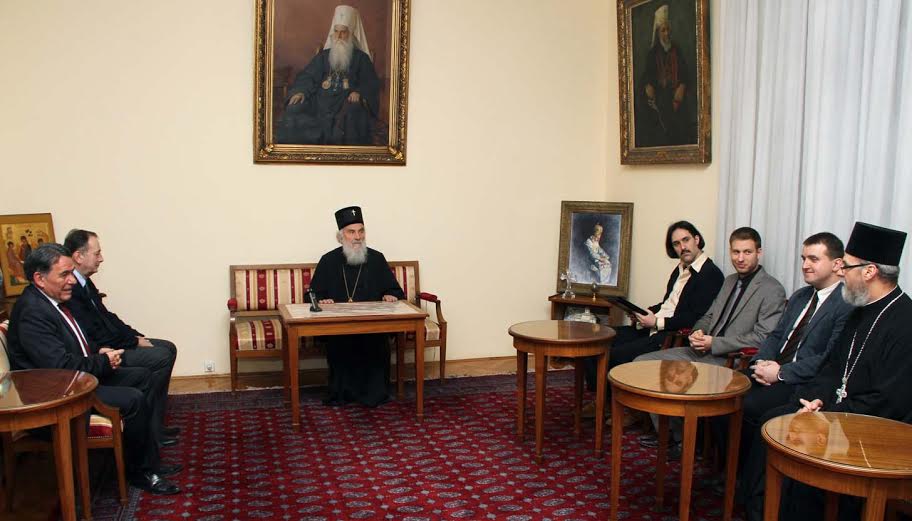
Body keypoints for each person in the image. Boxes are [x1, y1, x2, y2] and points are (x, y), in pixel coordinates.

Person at [749, 222, 912, 521]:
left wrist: (828, 415)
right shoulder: (858, 311)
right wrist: (817, 399)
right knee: (775, 424)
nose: (841, 273)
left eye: (846, 266)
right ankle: (760, 511)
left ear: (869, 271)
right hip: (834, 412)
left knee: (801, 460)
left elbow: (889, 401)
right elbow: (831, 367)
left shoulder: (905, 322)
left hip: (873, 432)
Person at [5, 244, 180, 494]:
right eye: (64, 274)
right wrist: (103, 362)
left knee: (143, 376)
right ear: (40, 279)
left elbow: (75, 344)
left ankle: (147, 460)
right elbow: (60, 367)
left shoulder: (50, 301)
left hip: (76, 380)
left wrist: (99, 351)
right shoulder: (33, 312)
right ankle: (141, 473)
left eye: (71, 273)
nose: (71, 280)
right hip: (59, 395)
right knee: (133, 398)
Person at [733, 233, 852, 519]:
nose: (805, 265)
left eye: (813, 259)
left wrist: (781, 373)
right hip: (771, 370)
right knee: (727, 396)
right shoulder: (800, 296)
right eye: (803, 258)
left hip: (801, 381)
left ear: (837, 264)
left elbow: (828, 358)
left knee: (750, 407)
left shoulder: (846, 303)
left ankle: (751, 490)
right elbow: (776, 336)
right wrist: (761, 363)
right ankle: (734, 476)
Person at [635, 227, 785, 450]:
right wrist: (698, 331)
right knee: (642, 365)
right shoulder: (729, 281)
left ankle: (684, 443)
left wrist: (715, 343)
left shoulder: (772, 289)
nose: (740, 258)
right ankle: (675, 435)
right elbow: (708, 316)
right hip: (701, 349)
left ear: (759, 252)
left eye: (747, 252)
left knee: (671, 376)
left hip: (730, 359)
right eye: (735, 252)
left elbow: (761, 338)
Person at [581, 221, 723, 418]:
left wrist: (656, 322)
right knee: (597, 340)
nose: (682, 247)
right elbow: (669, 304)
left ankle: (627, 408)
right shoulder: (680, 269)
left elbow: (696, 317)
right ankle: (602, 400)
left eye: (686, 240)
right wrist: (644, 312)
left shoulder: (710, 274)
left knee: (616, 354)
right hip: (654, 326)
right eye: (676, 244)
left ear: (697, 239)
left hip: (671, 335)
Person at [63, 229, 180, 447]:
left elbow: (108, 317)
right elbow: (94, 332)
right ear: (78, 256)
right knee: (161, 356)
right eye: (97, 253)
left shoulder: (85, 283)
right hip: (105, 352)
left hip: (114, 343)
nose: (101, 258)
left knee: (168, 347)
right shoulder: (71, 290)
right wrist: (132, 342)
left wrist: (135, 335)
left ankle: (155, 424)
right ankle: (151, 430)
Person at [309, 206, 404, 407]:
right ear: (340, 236)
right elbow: (313, 294)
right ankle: (342, 393)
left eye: (361, 231)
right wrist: (323, 300)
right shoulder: (328, 260)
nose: (357, 237)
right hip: (340, 329)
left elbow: (395, 290)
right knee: (340, 344)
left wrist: (390, 295)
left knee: (376, 344)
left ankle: (375, 393)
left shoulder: (376, 258)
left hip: (373, 328)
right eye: (351, 232)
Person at [276, 5, 380, 145]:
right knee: (294, 109)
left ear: (351, 34)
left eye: (343, 32)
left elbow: (370, 83)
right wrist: (301, 91)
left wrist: (359, 92)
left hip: (345, 103)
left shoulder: (361, 58)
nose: (338, 36)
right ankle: (298, 153)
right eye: (336, 31)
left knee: (354, 111)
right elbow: (308, 76)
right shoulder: (324, 56)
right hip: (320, 102)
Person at [635, 4, 696, 147]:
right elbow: (647, 76)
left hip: (677, 97)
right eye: (663, 30)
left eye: (668, 30)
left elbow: (685, 73)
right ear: (658, 33)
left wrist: (682, 86)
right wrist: (648, 85)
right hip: (661, 96)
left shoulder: (676, 50)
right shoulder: (652, 54)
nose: (666, 33)